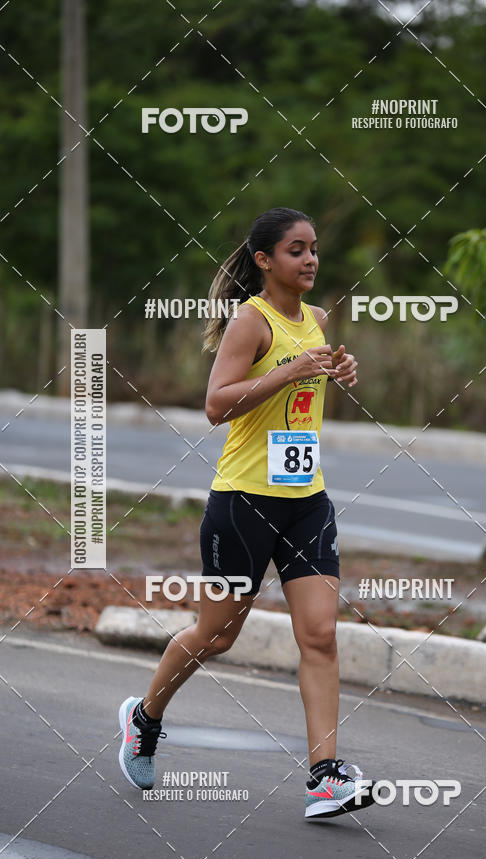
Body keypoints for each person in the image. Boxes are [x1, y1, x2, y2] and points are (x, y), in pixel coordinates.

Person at [118, 207, 375, 819]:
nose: (310, 259)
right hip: (243, 503)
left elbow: (298, 397)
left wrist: (335, 370)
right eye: (296, 250)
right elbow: (215, 405)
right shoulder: (250, 320)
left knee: (319, 635)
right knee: (218, 634)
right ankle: (144, 717)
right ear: (264, 261)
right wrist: (290, 369)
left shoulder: (315, 319)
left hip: (306, 500)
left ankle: (325, 775)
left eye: (313, 249)